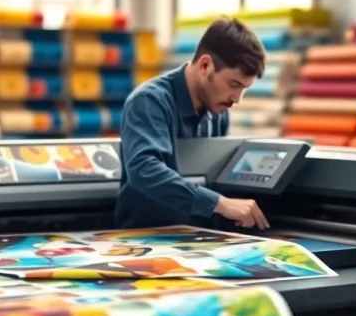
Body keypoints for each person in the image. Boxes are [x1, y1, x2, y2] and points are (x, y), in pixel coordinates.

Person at [115, 17, 270, 231]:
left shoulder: (219, 111)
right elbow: (144, 169)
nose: (237, 99)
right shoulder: (149, 101)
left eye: (245, 88)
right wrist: (219, 203)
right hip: (144, 238)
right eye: (234, 84)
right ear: (205, 65)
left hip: (199, 238)